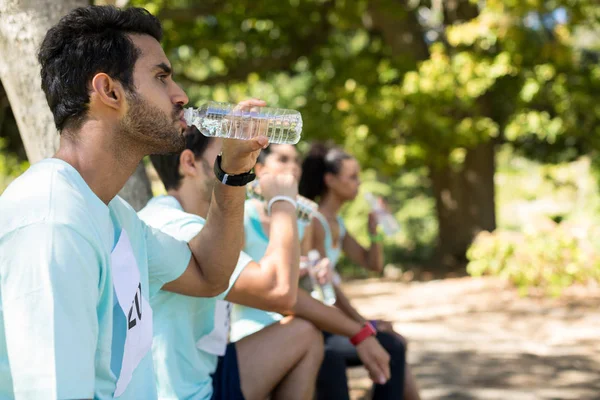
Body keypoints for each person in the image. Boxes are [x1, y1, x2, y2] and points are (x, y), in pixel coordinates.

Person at [0, 6, 267, 399]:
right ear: (109, 91)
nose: (181, 95)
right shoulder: (53, 224)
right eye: (162, 77)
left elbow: (210, 274)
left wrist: (233, 172)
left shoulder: (113, 214)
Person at [139, 127, 323, 400]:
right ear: (190, 163)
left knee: (305, 335)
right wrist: (283, 202)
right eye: (227, 155)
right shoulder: (173, 225)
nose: (243, 161)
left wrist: (360, 331)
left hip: (206, 371)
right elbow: (280, 291)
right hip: (183, 393)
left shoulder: (188, 221)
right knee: (306, 336)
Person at [230, 144, 404, 394]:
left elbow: (305, 285)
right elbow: (234, 280)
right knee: (332, 356)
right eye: (283, 159)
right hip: (255, 325)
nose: (292, 167)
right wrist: (363, 324)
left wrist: (314, 276)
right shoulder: (243, 216)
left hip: (300, 320)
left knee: (386, 348)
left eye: (296, 161)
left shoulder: (303, 221)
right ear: (260, 168)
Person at [299, 143, 421, 400]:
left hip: (333, 320)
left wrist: (374, 232)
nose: (358, 183)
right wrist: (364, 324)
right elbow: (327, 288)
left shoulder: (337, 223)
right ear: (330, 180)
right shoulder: (316, 223)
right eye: (352, 177)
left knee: (394, 341)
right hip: (319, 322)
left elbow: (372, 264)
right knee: (393, 345)